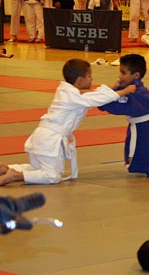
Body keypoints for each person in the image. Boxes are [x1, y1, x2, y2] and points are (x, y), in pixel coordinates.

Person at [0, 59, 135, 186]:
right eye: (89, 76)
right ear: (80, 80)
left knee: (37, 168)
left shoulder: (66, 90)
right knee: (52, 176)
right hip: (49, 139)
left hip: (42, 136)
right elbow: (95, 99)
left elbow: (89, 94)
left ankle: (7, 169)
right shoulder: (74, 97)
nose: (92, 79)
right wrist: (123, 91)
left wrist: (112, 88)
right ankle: (14, 175)